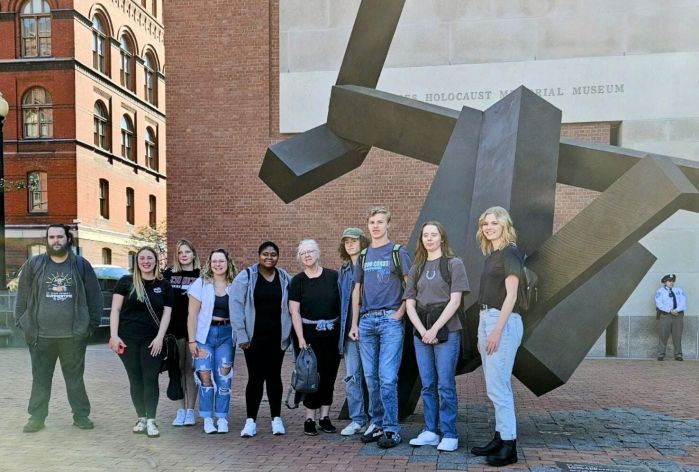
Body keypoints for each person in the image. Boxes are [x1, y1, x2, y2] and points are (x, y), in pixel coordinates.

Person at [14, 224, 103, 433]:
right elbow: (22, 297)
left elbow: (95, 298)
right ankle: (36, 418)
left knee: (75, 379)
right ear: (47, 240)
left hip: (73, 336)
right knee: (41, 378)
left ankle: (81, 416)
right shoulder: (34, 265)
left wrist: (89, 328)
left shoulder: (81, 265)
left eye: (59, 237)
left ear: (68, 239)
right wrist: (23, 323)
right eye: (51, 237)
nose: (55, 240)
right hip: (40, 336)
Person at [349, 206, 412, 449]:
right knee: (370, 377)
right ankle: (376, 423)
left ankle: (392, 428)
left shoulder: (398, 252)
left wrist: (400, 313)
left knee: (387, 377)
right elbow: (357, 291)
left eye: (380, 222)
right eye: (372, 222)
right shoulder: (364, 256)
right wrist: (355, 323)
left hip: (390, 320)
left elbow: (410, 286)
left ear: (388, 225)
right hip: (366, 321)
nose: (375, 226)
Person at [405, 221, 469, 452]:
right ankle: (430, 431)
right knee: (428, 384)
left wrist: (434, 329)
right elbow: (410, 304)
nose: (429, 239)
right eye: (425, 235)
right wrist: (423, 331)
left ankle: (450, 433)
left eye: (434, 235)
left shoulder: (454, 264)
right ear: (421, 240)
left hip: (447, 330)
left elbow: (455, 301)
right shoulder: (416, 268)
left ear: (442, 238)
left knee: (445, 384)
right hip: (421, 332)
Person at [470, 206, 524, 467]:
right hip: (486, 318)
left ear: (504, 225)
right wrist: (483, 329)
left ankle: (509, 446)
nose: (489, 227)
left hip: (502, 320)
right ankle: (500, 437)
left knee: (499, 387)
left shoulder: (511, 252)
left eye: (494, 223)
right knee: (493, 386)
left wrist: (496, 331)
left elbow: (511, 295)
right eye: (485, 224)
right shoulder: (493, 254)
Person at [109, 246, 173, 438]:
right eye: (142, 258)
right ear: (137, 261)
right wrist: (114, 335)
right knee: (135, 379)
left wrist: (160, 337)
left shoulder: (163, 284)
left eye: (150, 258)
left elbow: (167, 313)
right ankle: (141, 417)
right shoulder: (126, 282)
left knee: (150, 378)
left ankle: (152, 420)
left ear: (156, 261)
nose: (146, 261)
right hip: (127, 339)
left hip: (152, 340)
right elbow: (115, 310)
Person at [231, 241, 292, 438]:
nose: (269, 257)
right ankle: (251, 421)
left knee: (274, 377)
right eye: (265, 254)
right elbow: (236, 306)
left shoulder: (284, 278)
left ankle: (276, 419)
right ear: (259, 255)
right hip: (253, 339)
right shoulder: (246, 276)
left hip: (277, 338)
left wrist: (290, 333)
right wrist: (241, 335)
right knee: (255, 378)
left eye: (273, 254)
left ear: (278, 256)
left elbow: (293, 306)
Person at [289, 239, 342, 436]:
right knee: (310, 376)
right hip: (308, 337)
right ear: (300, 258)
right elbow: (294, 312)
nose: (308, 255)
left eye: (310, 251)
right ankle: (309, 418)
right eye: (303, 253)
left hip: (332, 335)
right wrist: (301, 338)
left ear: (318, 253)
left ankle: (324, 417)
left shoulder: (333, 277)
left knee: (329, 376)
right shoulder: (297, 281)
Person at [187, 248, 237, 434]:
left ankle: (222, 417)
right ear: (209, 263)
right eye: (214, 261)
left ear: (227, 263)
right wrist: (192, 341)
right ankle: (207, 418)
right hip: (204, 337)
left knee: (224, 377)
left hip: (226, 334)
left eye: (221, 261)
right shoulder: (201, 284)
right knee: (205, 377)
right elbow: (192, 315)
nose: (218, 264)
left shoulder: (235, 284)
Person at [163, 239, 201, 426]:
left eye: (187, 251)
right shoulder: (168, 274)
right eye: (180, 252)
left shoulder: (201, 275)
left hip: (193, 330)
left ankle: (190, 411)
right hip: (173, 329)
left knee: (190, 369)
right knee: (176, 370)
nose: (184, 255)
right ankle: (180, 409)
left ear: (193, 254)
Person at [337, 227, 370, 436]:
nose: (350, 244)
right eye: (347, 241)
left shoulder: (370, 265)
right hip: (349, 331)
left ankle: (376, 420)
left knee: (372, 376)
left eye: (354, 240)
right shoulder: (344, 269)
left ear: (362, 242)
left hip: (369, 327)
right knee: (352, 377)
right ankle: (357, 419)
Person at [655, 274, 687, 361]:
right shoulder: (660, 291)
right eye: (669, 281)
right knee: (663, 335)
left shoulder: (679, 290)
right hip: (666, 315)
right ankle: (661, 354)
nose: (671, 283)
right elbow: (659, 304)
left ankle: (678, 355)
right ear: (665, 282)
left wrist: (677, 310)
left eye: (672, 281)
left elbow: (683, 302)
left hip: (677, 316)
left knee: (677, 335)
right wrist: (670, 310)